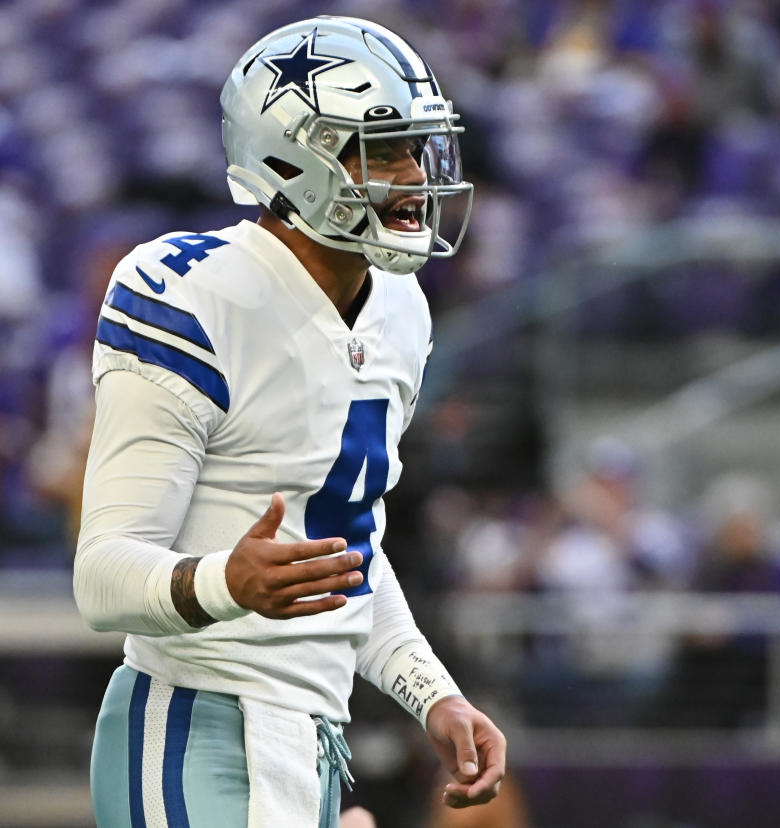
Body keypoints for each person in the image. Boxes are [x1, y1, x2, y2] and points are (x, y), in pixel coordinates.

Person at [72, 16, 505, 827]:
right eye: (384, 151)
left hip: (314, 739)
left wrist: (432, 692)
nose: (415, 177)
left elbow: (346, 556)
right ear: (292, 157)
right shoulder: (191, 293)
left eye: (419, 148)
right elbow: (101, 576)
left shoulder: (401, 313)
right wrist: (225, 583)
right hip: (191, 725)